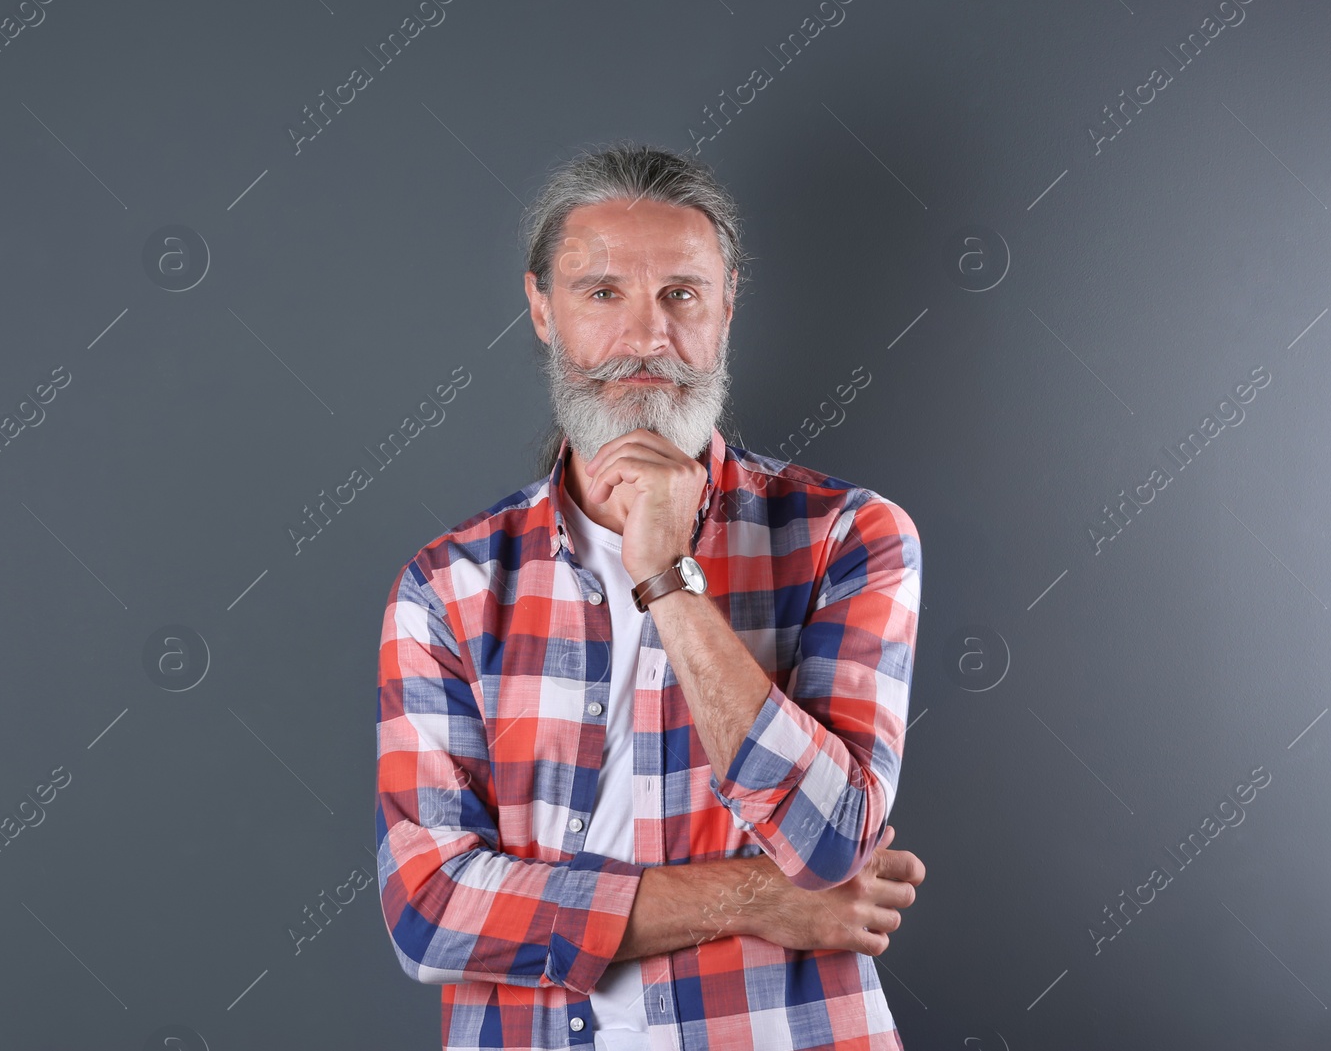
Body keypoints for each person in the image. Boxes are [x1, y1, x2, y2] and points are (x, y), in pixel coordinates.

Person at [375, 140, 926, 1050]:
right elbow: (430, 912)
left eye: (681, 293)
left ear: (726, 304)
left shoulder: (850, 538)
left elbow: (829, 844)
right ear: (541, 309)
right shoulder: (448, 588)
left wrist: (666, 576)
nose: (645, 338)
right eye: (602, 294)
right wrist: (757, 896)